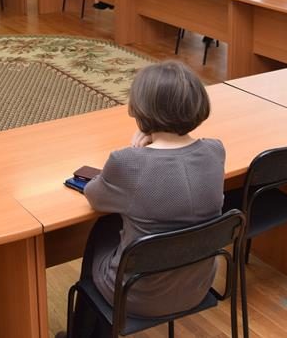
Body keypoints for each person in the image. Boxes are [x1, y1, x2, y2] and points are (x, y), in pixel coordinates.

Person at [67, 60, 225, 337]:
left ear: (141, 109)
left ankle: (82, 333)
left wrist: (136, 152)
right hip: (198, 287)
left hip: (136, 297)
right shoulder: (215, 151)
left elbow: (94, 196)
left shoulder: (128, 163)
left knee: (102, 227)